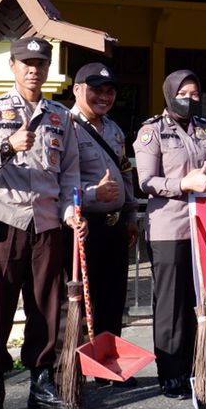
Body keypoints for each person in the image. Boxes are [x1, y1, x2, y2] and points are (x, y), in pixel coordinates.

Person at [0, 37, 83, 409]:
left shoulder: (61, 117)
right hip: (4, 222)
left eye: (40, 63)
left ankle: (41, 383)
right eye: (26, 62)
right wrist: (6, 146)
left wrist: (70, 208)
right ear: (12, 66)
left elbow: (70, 171)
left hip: (46, 222)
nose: (33, 69)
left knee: (46, 306)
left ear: (48, 69)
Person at [133, 70, 206, 400]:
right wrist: (183, 184)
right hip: (168, 227)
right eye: (183, 94)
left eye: (194, 94)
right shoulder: (152, 131)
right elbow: (145, 181)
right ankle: (171, 372)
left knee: (197, 298)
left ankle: (196, 365)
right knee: (171, 303)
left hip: (203, 227)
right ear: (169, 94)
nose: (189, 100)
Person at [68, 62, 139, 387]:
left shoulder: (113, 129)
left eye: (110, 91)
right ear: (77, 90)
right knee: (82, 300)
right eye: (96, 90)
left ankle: (107, 366)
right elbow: (57, 182)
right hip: (83, 226)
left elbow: (125, 173)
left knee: (113, 297)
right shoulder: (65, 127)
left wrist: (130, 215)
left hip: (114, 225)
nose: (104, 97)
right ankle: (74, 369)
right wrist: (91, 194)